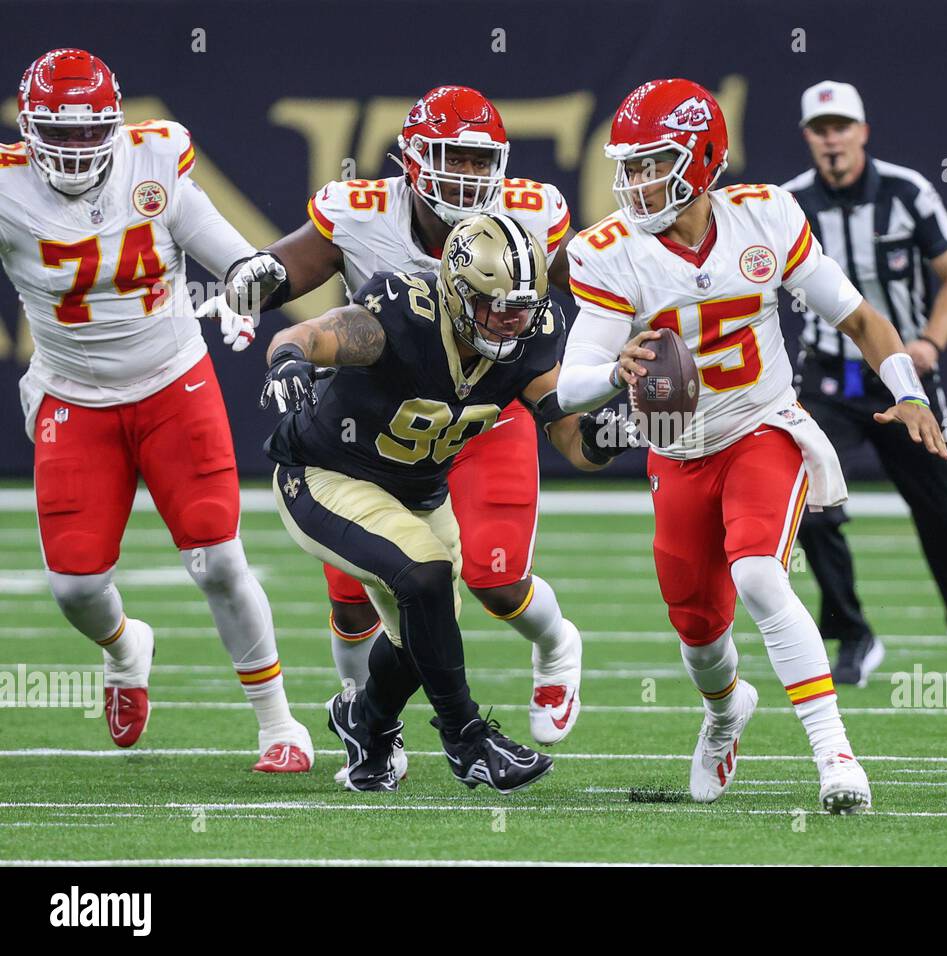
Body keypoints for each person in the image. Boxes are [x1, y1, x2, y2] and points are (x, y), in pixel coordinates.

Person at [557, 78, 947, 814]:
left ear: (704, 158)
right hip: (676, 451)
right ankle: (725, 711)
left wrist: (909, 392)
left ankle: (836, 757)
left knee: (762, 576)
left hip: (760, 428)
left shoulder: (764, 217)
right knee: (699, 633)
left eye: (654, 163)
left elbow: (859, 317)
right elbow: (571, 385)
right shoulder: (611, 252)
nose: (637, 180)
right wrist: (616, 370)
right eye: (630, 164)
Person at [204, 86, 586, 749]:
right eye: (452, 158)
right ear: (412, 158)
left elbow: (597, 282)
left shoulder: (531, 216)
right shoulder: (361, 213)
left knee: (495, 583)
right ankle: (368, 724)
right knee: (355, 596)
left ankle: (556, 644)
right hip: (375, 429)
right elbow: (286, 269)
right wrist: (248, 283)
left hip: (483, 417)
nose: (466, 176)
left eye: (477, 161)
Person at [1, 48, 313, 769]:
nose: (78, 150)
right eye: (61, 132)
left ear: (114, 125)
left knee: (217, 558)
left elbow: (236, 255)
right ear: (29, 127)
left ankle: (277, 724)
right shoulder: (8, 186)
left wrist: (245, 289)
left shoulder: (155, 158)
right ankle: (124, 648)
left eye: (90, 132)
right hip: (74, 396)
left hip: (173, 382)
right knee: (76, 586)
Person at [261, 214, 637, 793]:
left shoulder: (527, 337)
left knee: (421, 639)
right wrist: (289, 363)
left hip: (417, 493)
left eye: (524, 306)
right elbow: (307, 335)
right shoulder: (404, 313)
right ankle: (467, 741)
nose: (513, 320)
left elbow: (567, 433)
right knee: (427, 577)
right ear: (458, 293)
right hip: (326, 474)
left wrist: (607, 436)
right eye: (497, 306)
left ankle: (366, 726)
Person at [781, 80, 947, 686]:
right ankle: (850, 632)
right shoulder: (786, 204)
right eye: (820, 129)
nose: (832, 139)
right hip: (826, 376)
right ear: (807, 138)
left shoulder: (906, 192)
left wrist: (929, 344)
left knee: (943, 511)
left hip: (903, 379)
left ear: (862, 132)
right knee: (811, 508)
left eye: (841, 126)